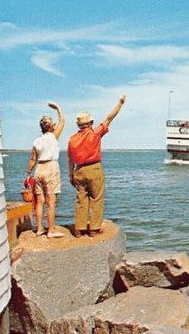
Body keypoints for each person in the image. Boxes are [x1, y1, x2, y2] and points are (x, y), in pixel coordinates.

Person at [67, 95, 126, 236]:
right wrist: (120, 104)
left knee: (81, 200)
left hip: (78, 170)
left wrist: (70, 175)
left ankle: (79, 229)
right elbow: (109, 118)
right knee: (96, 199)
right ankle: (94, 229)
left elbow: (70, 159)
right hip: (94, 168)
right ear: (90, 123)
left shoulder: (72, 139)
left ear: (79, 125)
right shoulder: (95, 133)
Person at [25, 102, 65, 237]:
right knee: (51, 201)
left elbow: (33, 159)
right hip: (51, 167)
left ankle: (40, 228)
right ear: (51, 126)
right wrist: (58, 108)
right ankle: (51, 230)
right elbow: (63, 121)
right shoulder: (54, 136)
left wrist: (27, 174)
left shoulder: (36, 141)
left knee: (40, 201)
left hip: (39, 169)